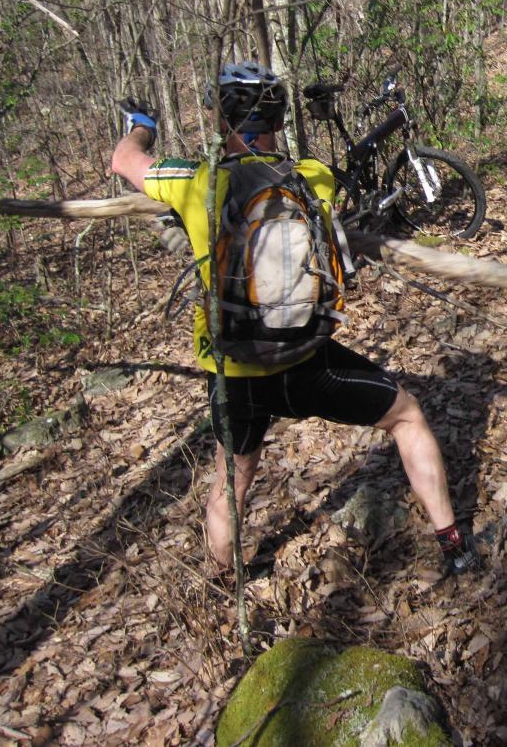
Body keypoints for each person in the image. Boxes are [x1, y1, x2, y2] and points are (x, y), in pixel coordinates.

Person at [110, 60, 481, 576]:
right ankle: (455, 546)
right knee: (407, 416)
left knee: (232, 476)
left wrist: (140, 125)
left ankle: (224, 583)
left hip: (235, 372)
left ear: (220, 121)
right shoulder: (314, 177)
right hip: (308, 362)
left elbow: (124, 159)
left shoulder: (195, 183)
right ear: (280, 123)